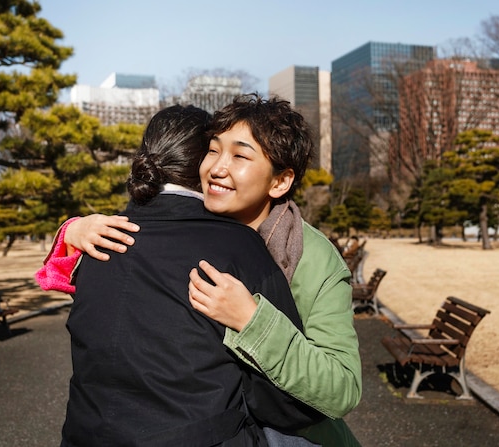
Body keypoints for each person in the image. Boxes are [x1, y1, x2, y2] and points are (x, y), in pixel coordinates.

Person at [40, 95, 362, 446]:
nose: (216, 168)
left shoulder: (312, 259)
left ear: (280, 182)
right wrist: (73, 230)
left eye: (239, 156)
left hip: (296, 431)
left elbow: (341, 389)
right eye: (212, 150)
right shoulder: (194, 232)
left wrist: (251, 321)